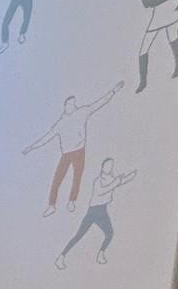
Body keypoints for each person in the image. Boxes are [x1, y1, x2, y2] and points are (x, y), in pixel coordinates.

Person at [24, 86, 124, 215]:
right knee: (57, 179)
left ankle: (72, 200)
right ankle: (52, 205)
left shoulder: (81, 113)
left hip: (79, 151)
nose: (72, 106)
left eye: (73, 104)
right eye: (69, 104)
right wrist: (31, 147)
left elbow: (99, 103)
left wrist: (113, 91)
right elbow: (47, 137)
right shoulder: (61, 123)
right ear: (65, 106)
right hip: (66, 154)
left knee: (77, 177)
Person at [57, 161, 136, 267]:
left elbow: (121, 181)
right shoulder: (98, 181)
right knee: (79, 235)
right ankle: (61, 257)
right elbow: (103, 190)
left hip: (103, 211)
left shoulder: (112, 180)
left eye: (111, 166)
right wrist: (117, 181)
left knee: (109, 233)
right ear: (102, 167)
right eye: (107, 165)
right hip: (93, 211)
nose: (109, 167)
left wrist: (132, 175)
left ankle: (101, 254)